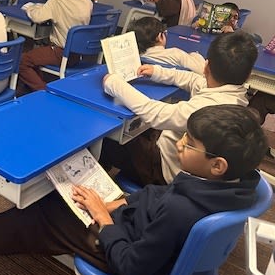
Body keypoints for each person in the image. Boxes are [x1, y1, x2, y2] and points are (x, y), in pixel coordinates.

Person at [0, 105, 267, 275]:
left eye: (189, 143)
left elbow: (132, 267)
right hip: (136, 226)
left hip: (124, 249)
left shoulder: (180, 210)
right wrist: (117, 203)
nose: (179, 144)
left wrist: (102, 217)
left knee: (46, 210)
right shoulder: (237, 188)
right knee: (67, 198)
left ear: (218, 165)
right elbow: (158, 196)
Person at [99, 31, 258, 186]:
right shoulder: (233, 94)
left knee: (107, 140)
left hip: (164, 168)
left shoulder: (208, 109)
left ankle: (103, 184)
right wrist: (156, 72)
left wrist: (114, 84)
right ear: (249, 74)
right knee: (136, 130)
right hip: (170, 145)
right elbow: (192, 79)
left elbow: (155, 113)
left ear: (206, 66)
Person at [18, 0, 92, 92]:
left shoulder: (57, 1)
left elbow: (37, 17)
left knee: (22, 60)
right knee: (37, 55)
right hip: (77, 55)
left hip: (60, 53)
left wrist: (30, 8)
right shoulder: (87, 1)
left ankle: (44, 91)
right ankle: (38, 85)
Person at [130, 16, 205, 74]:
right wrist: (196, 55)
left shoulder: (137, 57)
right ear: (159, 37)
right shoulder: (176, 54)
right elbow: (203, 71)